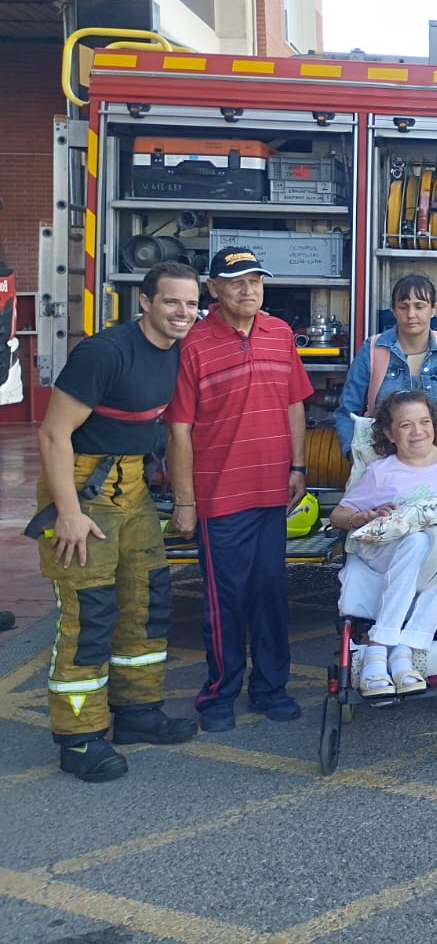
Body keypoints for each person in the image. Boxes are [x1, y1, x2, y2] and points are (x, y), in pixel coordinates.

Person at [33, 261, 201, 782]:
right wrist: (68, 513)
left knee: (147, 602)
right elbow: (53, 434)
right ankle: (79, 738)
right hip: (85, 490)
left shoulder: (177, 352)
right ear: (145, 303)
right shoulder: (104, 353)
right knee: (91, 614)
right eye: (172, 302)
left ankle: (137, 713)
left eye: (192, 304)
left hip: (134, 492)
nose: (183, 313)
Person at [167, 247, 314, 732]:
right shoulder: (192, 344)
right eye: (236, 282)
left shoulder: (280, 334)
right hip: (220, 496)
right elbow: (180, 430)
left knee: (271, 593)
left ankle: (271, 688)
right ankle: (219, 693)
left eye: (255, 280)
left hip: (273, 491)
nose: (248, 290)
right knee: (225, 599)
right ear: (213, 290)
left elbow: (295, 404)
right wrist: (184, 502)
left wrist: (298, 465)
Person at [329, 391, 437, 696]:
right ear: (389, 434)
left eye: (424, 422)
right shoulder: (380, 472)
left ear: (434, 425)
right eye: (405, 425)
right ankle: (390, 649)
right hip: (388, 553)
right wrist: (366, 517)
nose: (417, 432)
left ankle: (392, 649)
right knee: (417, 539)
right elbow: (338, 515)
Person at [336, 275, 437, 457]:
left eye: (420, 306)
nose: (411, 314)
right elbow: (347, 412)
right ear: (393, 311)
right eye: (403, 307)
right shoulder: (373, 350)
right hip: (381, 464)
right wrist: (356, 456)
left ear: (433, 310)